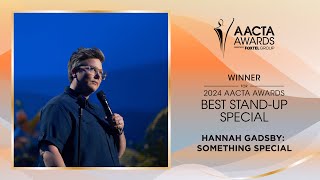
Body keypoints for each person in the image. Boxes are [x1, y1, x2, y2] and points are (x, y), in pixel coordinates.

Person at [38, 48, 126, 167]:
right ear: (74, 72)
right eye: (92, 69)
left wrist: (119, 131)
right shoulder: (59, 106)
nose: (97, 76)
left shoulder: (98, 112)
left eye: (101, 72)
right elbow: (49, 151)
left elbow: (116, 154)